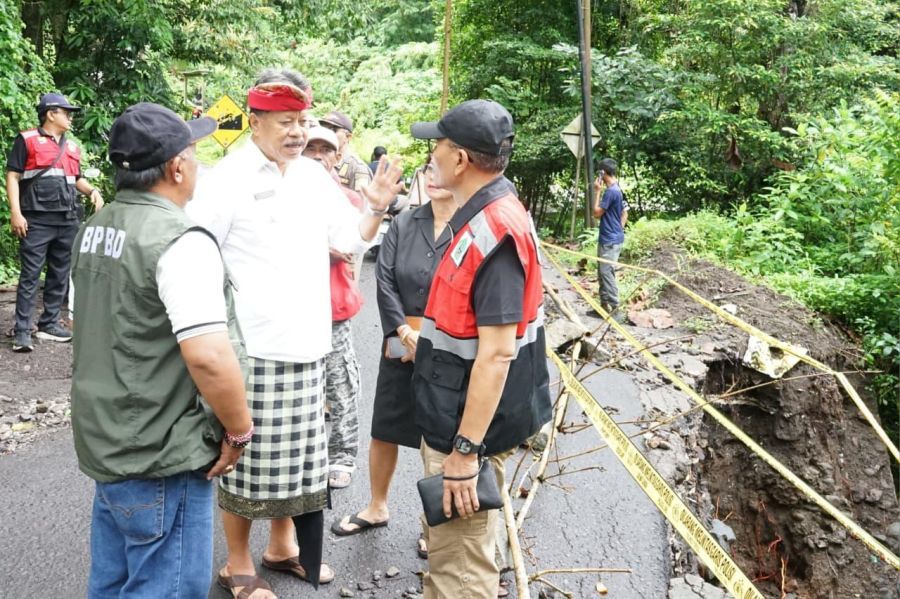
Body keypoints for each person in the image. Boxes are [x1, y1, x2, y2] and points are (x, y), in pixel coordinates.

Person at [187, 68, 402, 598]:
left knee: (300, 463)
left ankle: (282, 548)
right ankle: (237, 563)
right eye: (285, 121)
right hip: (253, 346)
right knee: (247, 462)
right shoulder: (227, 178)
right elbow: (197, 256)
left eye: (302, 121)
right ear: (254, 121)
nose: (298, 132)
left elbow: (350, 240)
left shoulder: (312, 177)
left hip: (309, 342)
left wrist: (375, 206)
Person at [69, 102, 254, 598]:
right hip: (162, 450)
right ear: (176, 167)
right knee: (166, 585)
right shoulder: (179, 241)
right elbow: (208, 356)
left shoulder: (95, 229)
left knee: (112, 581)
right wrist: (238, 430)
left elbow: (86, 324)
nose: (197, 165)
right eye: (193, 155)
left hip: (109, 441)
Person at [410, 99, 552, 598]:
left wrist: (465, 453)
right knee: (454, 556)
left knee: (462, 571)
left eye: (438, 145)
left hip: (468, 432)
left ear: (460, 159)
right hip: (456, 417)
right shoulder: (484, 216)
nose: (432, 155)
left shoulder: (496, 231)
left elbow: (497, 353)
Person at [331, 160, 456, 556]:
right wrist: (402, 330)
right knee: (385, 426)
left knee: (440, 437)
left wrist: (430, 338)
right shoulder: (404, 224)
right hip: (401, 342)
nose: (433, 178)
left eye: (441, 170)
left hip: (449, 348)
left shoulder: (472, 226)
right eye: (428, 171)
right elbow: (384, 280)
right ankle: (377, 505)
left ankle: (434, 524)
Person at [6, 92, 104, 352]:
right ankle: (23, 331)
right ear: (51, 114)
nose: (70, 117)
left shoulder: (71, 147)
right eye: (66, 112)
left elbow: (76, 178)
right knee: (30, 274)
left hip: (67, 219)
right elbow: (13, 176)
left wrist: (92, 191)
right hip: (36, 219)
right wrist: (16, 212)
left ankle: (49, 323)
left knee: (60, 273)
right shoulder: (27, 140)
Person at [302, 125, 364, 490]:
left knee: (340, 382)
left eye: (325, 149)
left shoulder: (348, 199)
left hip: (334, 308)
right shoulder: (282, 193)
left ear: (337, 157)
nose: (317, 155)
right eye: (310, 148)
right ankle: (304, 453)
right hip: (291, 309)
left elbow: (347, 246)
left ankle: (343, 455)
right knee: (299, 386)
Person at [592, 157, 628, 315]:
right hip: (609, 238)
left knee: (606, 273)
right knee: (602, 272)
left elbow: (596, 213)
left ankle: (615, 309)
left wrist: (597, 191)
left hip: (610, 241)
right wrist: (619, 228)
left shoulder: (611, 192)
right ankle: (603, 307)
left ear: (602, 173)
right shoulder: (617, 189)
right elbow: (624, 212)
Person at [319, 110, 373, 192]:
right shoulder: (315, 159)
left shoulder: (358, 168)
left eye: (333, 130)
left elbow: (362, 199)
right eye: (323, 129)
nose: (326, 134)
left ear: (348, 137)